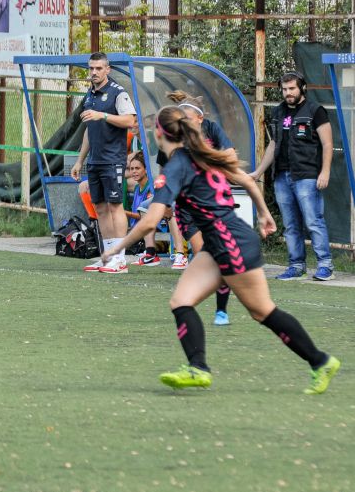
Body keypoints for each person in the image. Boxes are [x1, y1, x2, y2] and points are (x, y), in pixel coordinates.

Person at [102, 105, 340, 394]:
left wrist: (117, 248)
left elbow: (150, 220)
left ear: (159, 132)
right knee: (181, 301)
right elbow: (244, 180)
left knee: (262, 311)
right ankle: (197, 368)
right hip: (219, 243)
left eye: (151, 126)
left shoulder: (177, 166)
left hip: (231, 244)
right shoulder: (200, 155)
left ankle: (320, 361)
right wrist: (264, 213)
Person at [250, 71, 335, 281]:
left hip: (307, 174)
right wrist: (258, 172)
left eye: (292, 89)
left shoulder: (316, 110)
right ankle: (296, 266)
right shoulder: (278, 112)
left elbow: (328, 144)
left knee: (314, 221)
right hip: (281, 175)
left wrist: (324, 172)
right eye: (285, 89)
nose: (288, 93)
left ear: (302, 88)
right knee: (290, 225)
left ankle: (326, 266)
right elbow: (273, 144)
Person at [162, 91, 237, 323]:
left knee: (217, 256)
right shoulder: (174, 136)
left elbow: (231, 156)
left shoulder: (212, 130)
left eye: (186, 117)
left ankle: (221, 309)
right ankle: (189, 304)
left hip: (212, 204)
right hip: (187, 207)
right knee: (203, 253)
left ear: (199, 119)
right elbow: (164, 171)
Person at [70, 52, 138, 274]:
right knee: (99, 207)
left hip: (112, 160)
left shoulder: (118, 93)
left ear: (108, 70)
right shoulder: (90, 94)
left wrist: (103, 116)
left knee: (115, 206)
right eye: (91, 68)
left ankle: (120, 258)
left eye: (99, 68)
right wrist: (79, 160)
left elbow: (130, 120)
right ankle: (108, 256)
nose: (94, 72)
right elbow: (90, 130)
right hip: (95, 161)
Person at [124, 151, 159, 265]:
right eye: (131, 168)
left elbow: (144, 214)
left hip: (154, 224)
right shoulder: (136, 188)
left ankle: (149, 252)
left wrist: (124, 213)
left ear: (146, 169)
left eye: (137, 168)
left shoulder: (151, 187)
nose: (134, 171)